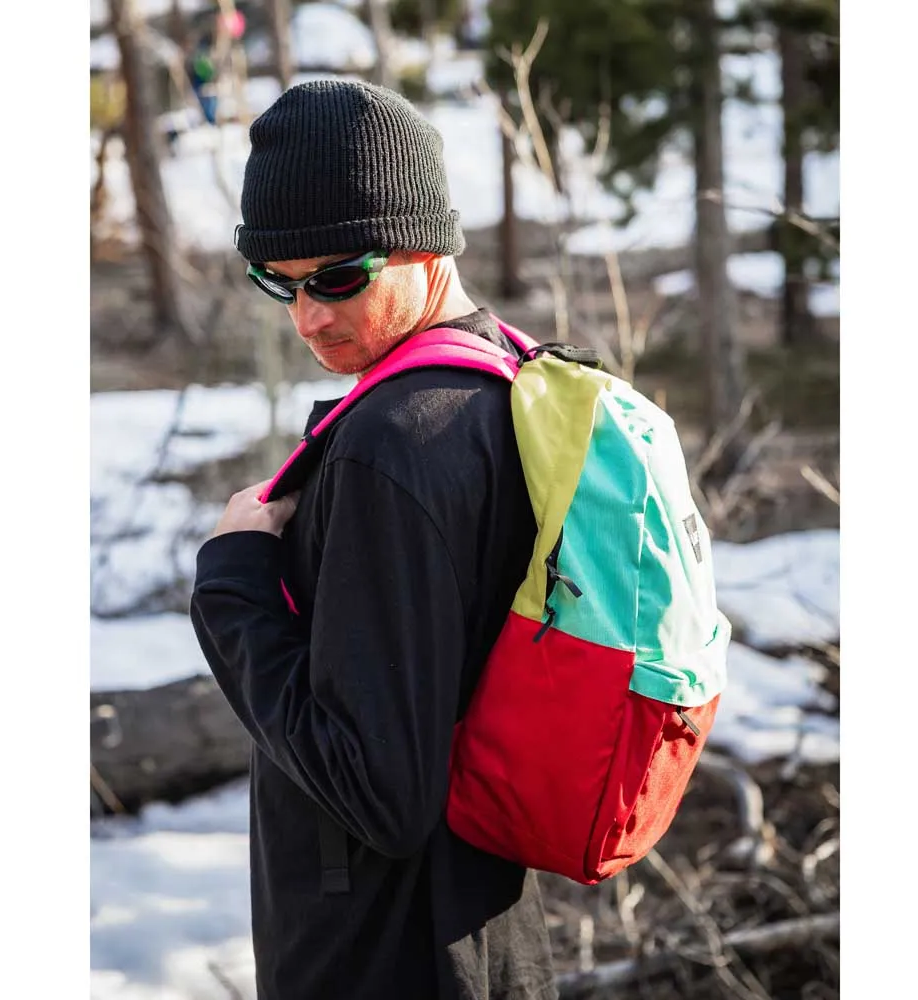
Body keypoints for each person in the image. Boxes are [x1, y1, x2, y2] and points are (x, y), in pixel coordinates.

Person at [190, 80, 558, 1000]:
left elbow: (377, 793)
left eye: (337, 278)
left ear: (424, 242)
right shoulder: (505, 383)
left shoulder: (393, 446)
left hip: (383, 956)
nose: (308, 316)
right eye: (278, 282)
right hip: (484, 929)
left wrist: (233, 588)